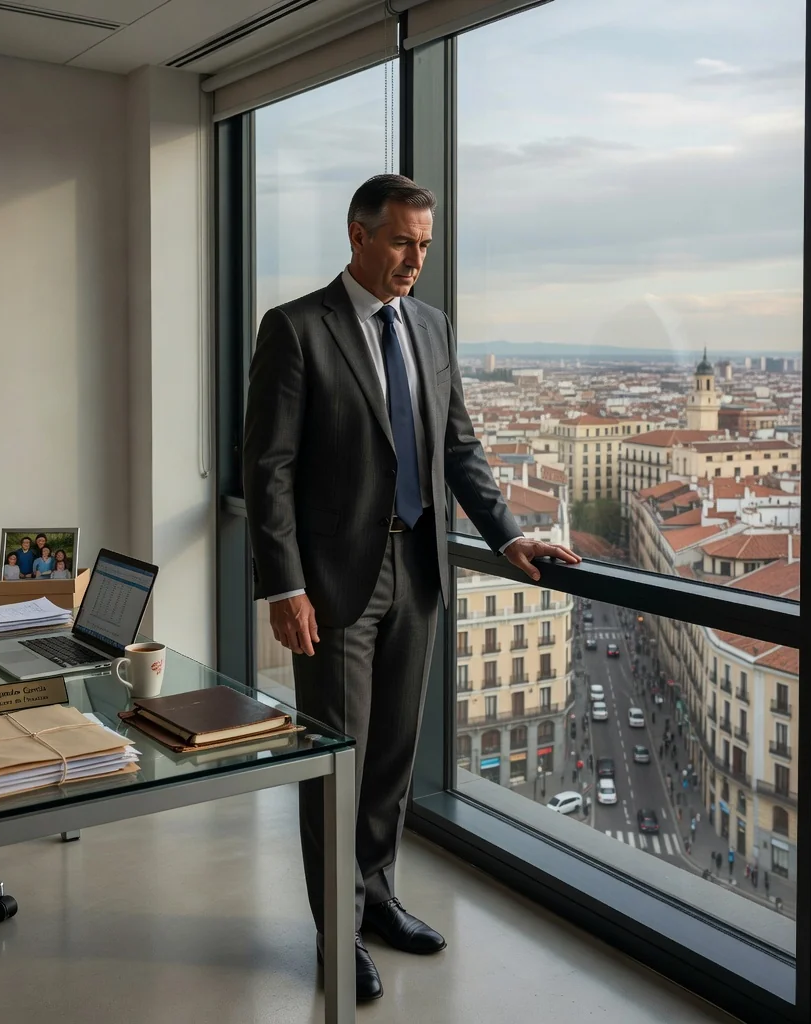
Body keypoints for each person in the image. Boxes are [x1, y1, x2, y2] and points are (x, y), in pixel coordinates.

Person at [242, 174, 580, 1002]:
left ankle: (380, 900)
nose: (414, 261)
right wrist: (284, 587)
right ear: (357, 236)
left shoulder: (430, 326)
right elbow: (269, 470)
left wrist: (507, 533)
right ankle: (337, 932)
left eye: (424, 246)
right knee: (338, 763)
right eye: (401, 242)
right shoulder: (295, 330)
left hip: (420, 570)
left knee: (391, 756)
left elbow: (457, 448)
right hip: (331, 584)